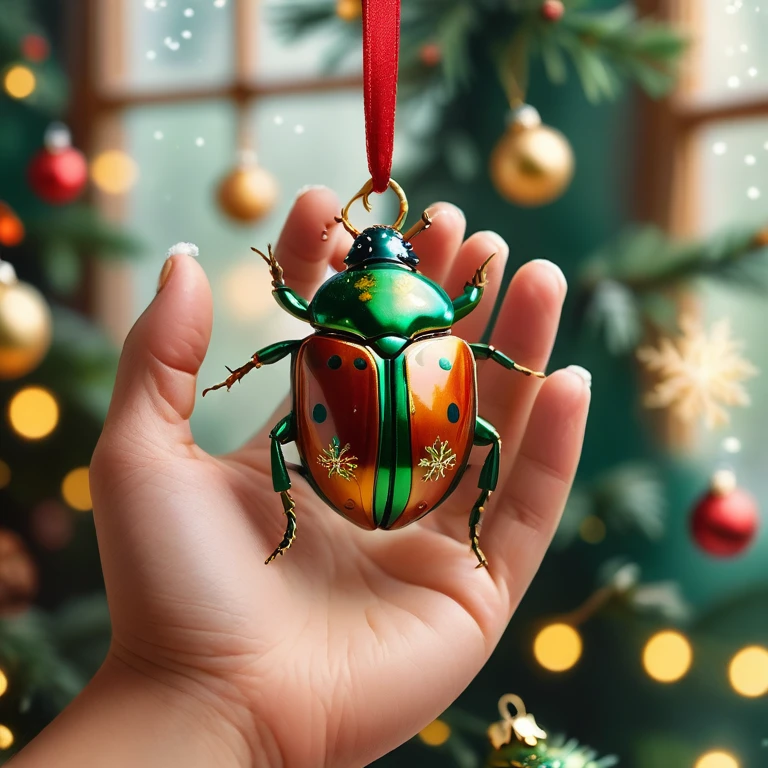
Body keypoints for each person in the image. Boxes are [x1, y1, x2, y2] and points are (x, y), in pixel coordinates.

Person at [10, 187, 590, 768]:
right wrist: (206, 694)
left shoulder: (319, 336)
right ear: (416, 275)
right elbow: (465, 307)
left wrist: (197, 700)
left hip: (346, 471)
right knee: (483, 434)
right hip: (420, 474)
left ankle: (289, 521)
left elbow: (290, 302)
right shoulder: (448, 337)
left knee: (287, 433)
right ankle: (462, 521)